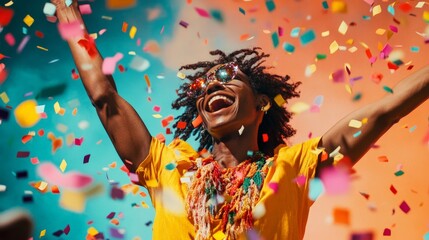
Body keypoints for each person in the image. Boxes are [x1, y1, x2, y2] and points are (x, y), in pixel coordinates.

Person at [51, 1, 429, 239]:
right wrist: (70, 19)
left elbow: (385, 111)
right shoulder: (168, 167)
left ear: (262, 102)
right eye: (200, 86)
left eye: (227, 76)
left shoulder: (295, 169)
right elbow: (106, 99)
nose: (209, 86)